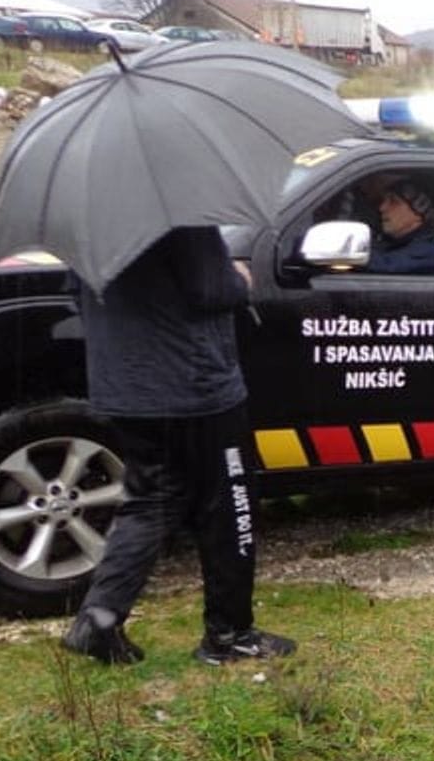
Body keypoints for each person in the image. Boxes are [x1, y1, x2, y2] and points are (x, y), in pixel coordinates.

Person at [60, 227, 295, 666]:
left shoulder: (85, 226)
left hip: (125, 389)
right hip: (194, 389)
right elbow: (211, 288)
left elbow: (78, 295)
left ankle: (98, 620)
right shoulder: (182, 216)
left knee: (151, 500)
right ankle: (230, 634)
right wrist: (239, 277)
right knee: (229, 506)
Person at [367, 177, 434, 275]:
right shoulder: (397, 241)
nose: (382, 208)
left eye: (393, 201)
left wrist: (356, 255)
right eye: (384, 200)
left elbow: (388, 266)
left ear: (419, 212)